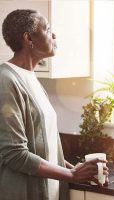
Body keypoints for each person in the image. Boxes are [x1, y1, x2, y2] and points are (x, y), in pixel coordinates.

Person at [0, 9, 108, 200]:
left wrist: (74, 168)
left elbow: (45, 145)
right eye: (47, 29)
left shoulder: (32, 79)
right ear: (29, 38)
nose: (54, 35)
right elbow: (15, 154)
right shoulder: (6, 81)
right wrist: (72, 175)